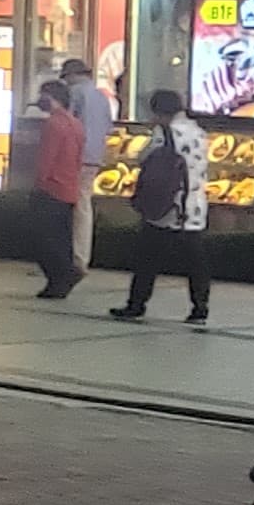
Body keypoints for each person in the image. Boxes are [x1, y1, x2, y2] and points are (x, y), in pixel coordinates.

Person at [111, 90, 211, 325]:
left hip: (166, 204)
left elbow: (145, 157)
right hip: (194, 204)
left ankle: (136, 304)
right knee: (196, 260)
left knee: (147, 257)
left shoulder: (164, 133)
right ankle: (200, 307)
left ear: (159, 112)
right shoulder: (198, 131)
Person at [29, 82, 83, 299]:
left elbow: (46, 158)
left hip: (51, 187)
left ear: (52, 97)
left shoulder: (53, 124)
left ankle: (62, 275)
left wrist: (39, 183)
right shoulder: (76, 124)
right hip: (69, 187)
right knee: (62, 237)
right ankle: (62, 277)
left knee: (43, 239)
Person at [61, 57, 108, 276]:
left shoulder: (75, 93)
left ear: (73, 76)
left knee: (71, 207)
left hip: (76, 156)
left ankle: (74, 258)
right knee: (83, 206)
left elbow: (67, 123)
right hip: (95, 156)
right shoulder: (101, 96)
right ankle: (81, 257)